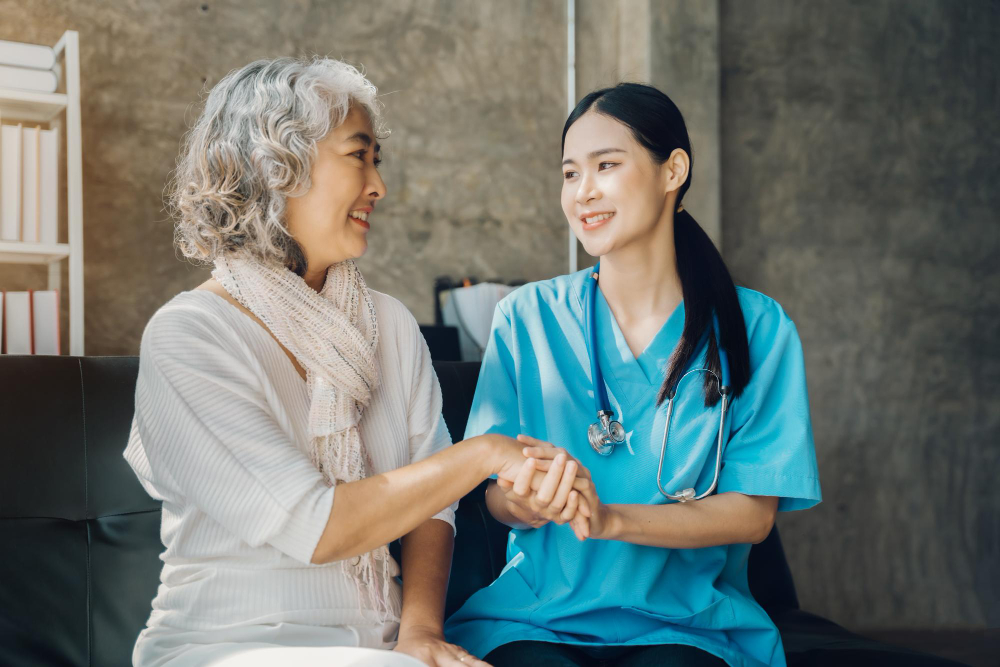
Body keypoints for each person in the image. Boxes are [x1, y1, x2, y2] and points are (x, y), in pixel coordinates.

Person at [123, 57, 587, 667]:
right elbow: (318, 525)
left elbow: (433, 506)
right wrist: (485, 454)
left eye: (377, 161)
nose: (378, 186)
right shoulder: (190, 336)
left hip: (377, 647)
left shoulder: (389, 324)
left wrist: (419, 631)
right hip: (226, 646)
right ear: (277, 166)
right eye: (357, 156)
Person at [444, 83, 822, 667]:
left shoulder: (757, 327)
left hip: (687, 626)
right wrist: (526, 502)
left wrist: (609, 519)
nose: (582, 192)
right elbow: (489, 495)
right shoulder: (527, 318)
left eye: (607, 166)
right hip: (537, 618)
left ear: (673, 170)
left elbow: (752, 515)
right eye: (570, 174)